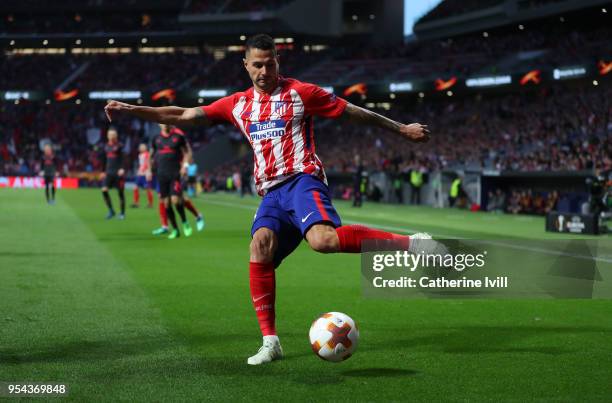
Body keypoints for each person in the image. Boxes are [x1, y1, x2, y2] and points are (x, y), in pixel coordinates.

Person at [104, 33, 439, 365]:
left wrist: (401, 129)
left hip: (302, 181)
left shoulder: (301, 93)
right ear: (246, 66)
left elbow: (352, 111)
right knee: (259, 247)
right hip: (271, 193)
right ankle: (271, 342)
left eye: (271, 63)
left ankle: (412, 244)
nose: (265, 71)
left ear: (278, 61)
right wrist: (132, 109)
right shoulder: (237, 104)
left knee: (323, 241)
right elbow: (184, 116)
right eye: (258, 65)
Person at [150, 123, 194, 239]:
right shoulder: (156, 139)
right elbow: (152, 154)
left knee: (175, 200)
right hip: (161, 174)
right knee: (166, 203)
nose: (165, 124)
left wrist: (185, 165)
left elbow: (187, 152)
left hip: (175, 173)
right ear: (159, 125)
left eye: (167, 121)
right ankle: (175, 230)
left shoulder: (178, 137)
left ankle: (185, 222)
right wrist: (150, 169)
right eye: (162, 122)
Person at [100, 128, 126, 220]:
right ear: (107, 136)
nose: (111, 136)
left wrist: (122, 168)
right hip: (108, 173)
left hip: (118, 173)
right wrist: (103, 171)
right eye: (109, 134)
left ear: (116, 136)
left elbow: (123, 158)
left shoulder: (119, 146)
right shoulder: (106, 146)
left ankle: (122, 213)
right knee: (104, 190)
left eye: (113, 135)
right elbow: (104, 160)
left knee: (120, 193)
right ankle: (111, 210)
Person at [132, 143, 154, 208]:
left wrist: (148, 171)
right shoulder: (140, 155)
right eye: (140, 147)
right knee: (135, 187)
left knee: (148, 189)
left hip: (145, 173)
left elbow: (147, 163)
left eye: (142, 147)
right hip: (140, 173)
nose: (141, 148)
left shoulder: (147, 154)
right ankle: (136, 203)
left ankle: (150, 204)